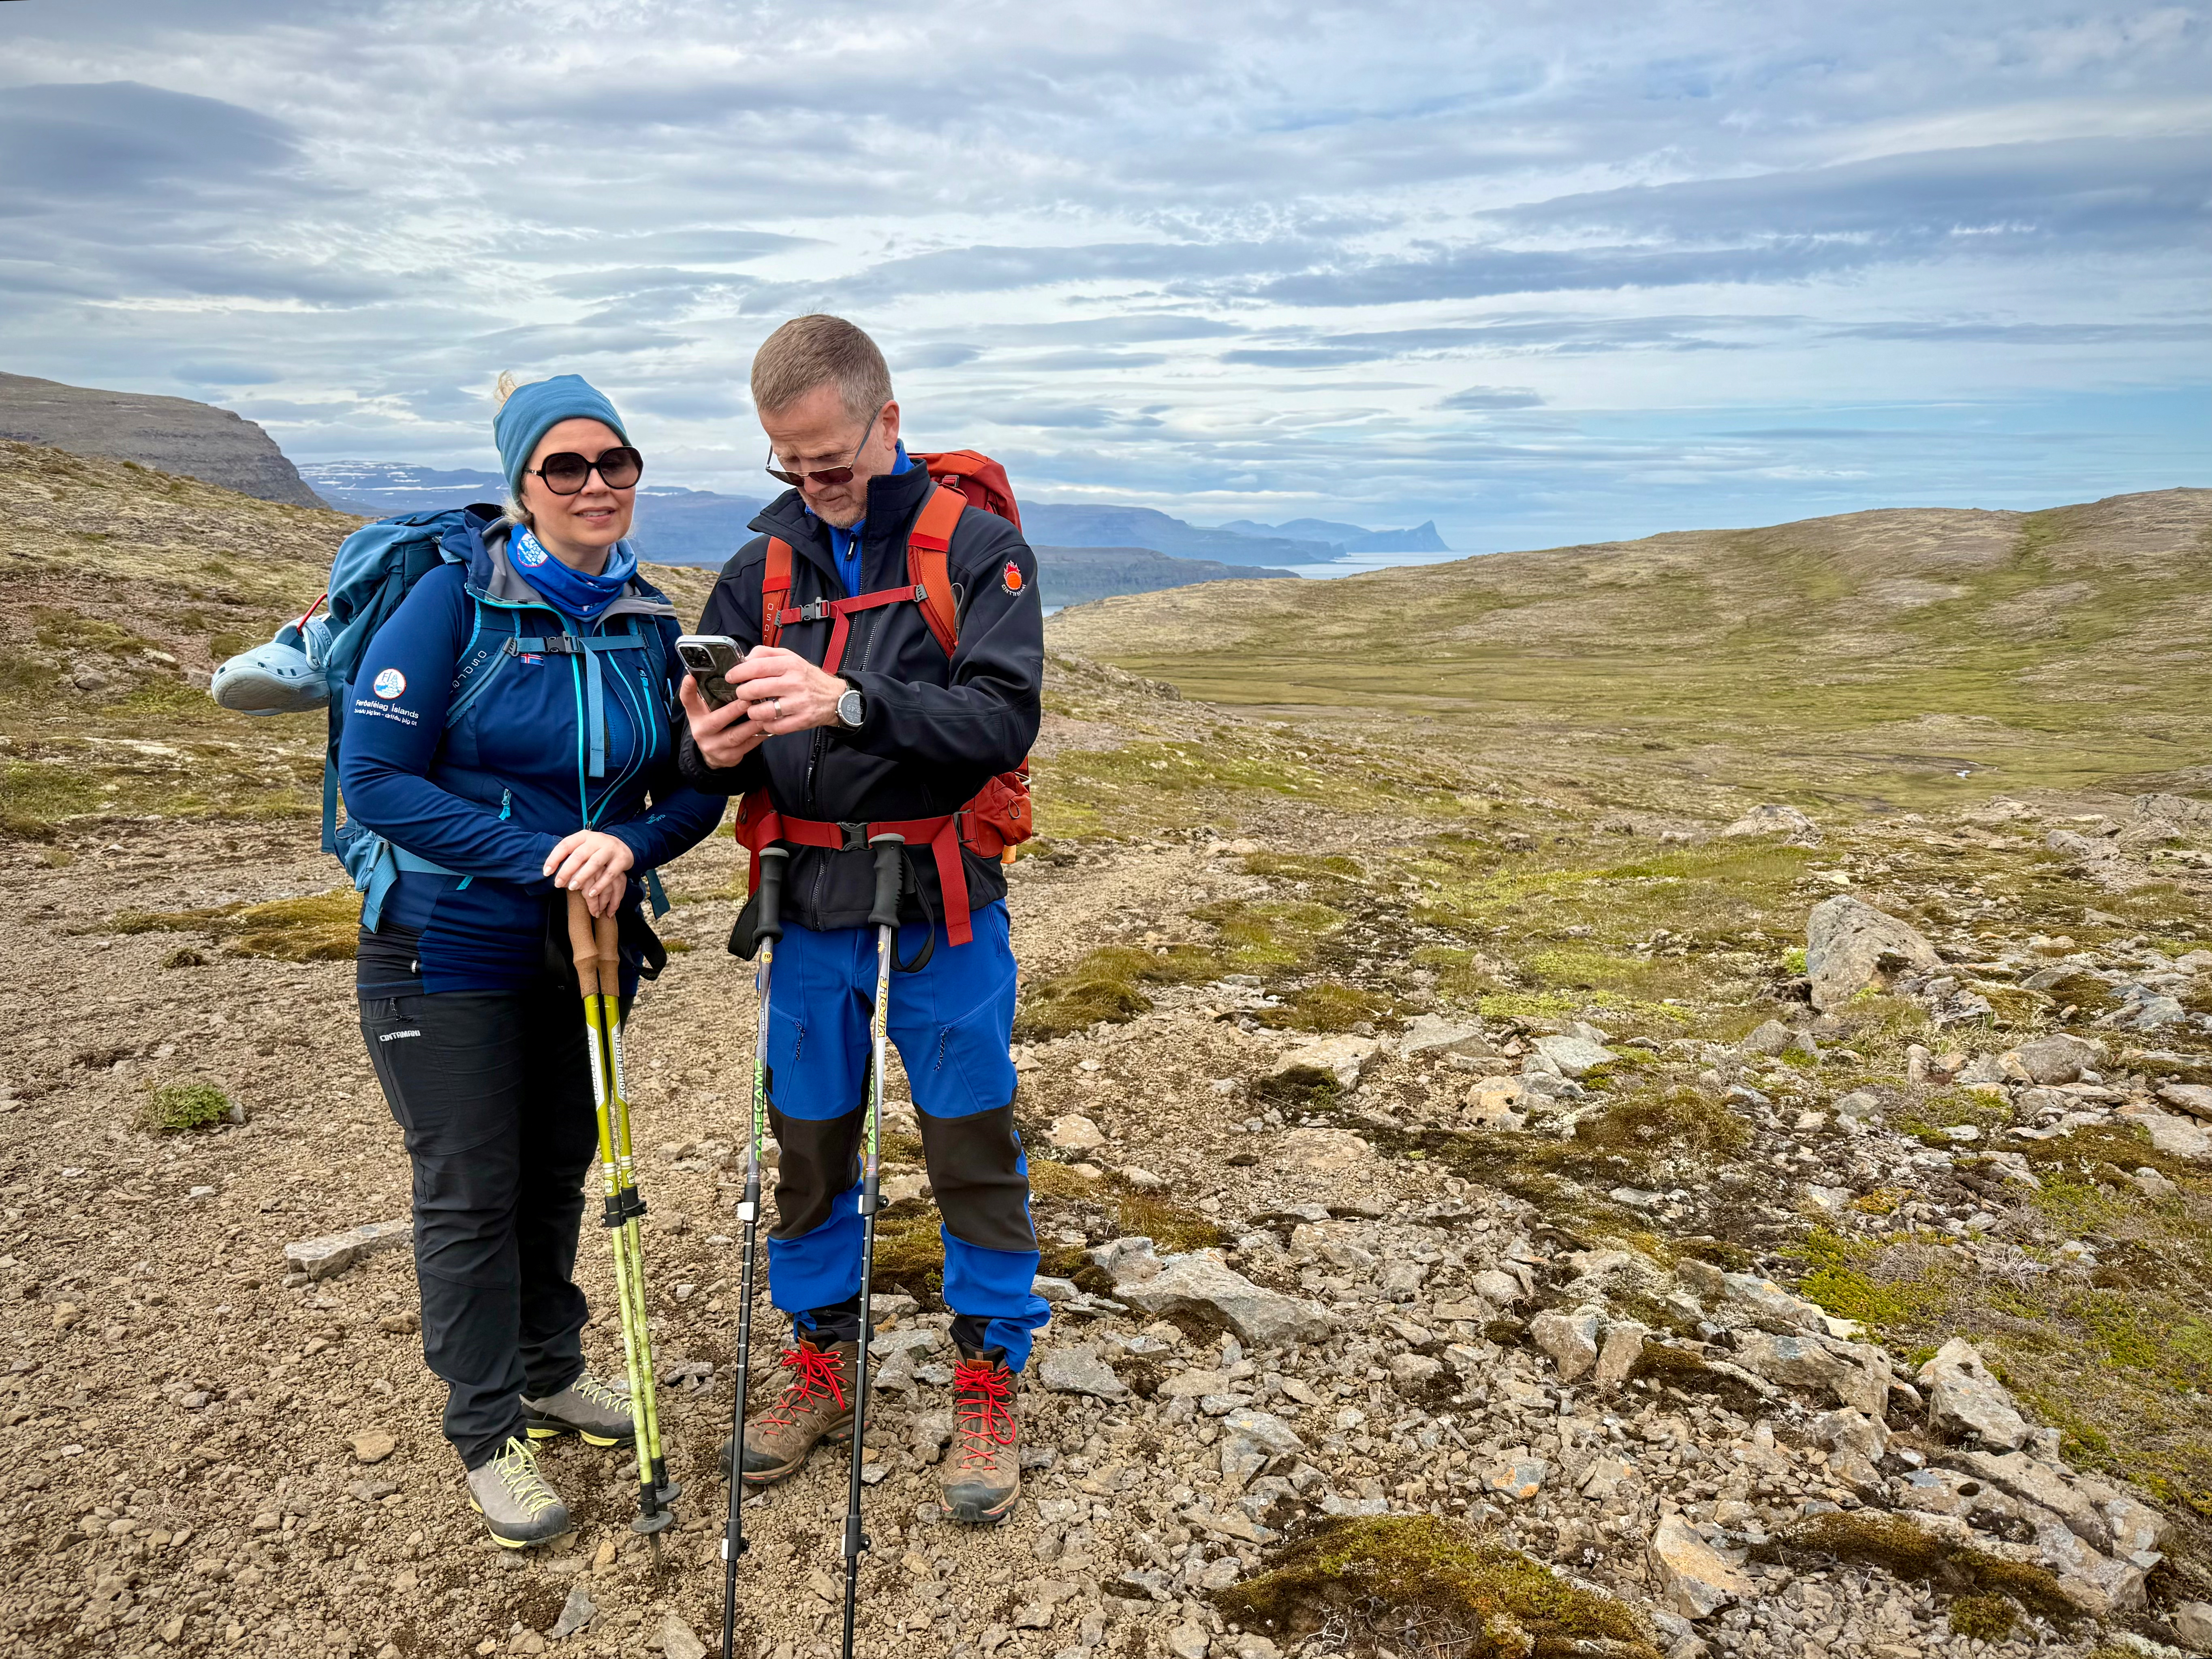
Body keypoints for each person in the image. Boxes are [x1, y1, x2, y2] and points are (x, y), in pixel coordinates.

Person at [340, 373, 725, 1546]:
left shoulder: (654, 625)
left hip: (584, 946)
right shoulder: (453, 605)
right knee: (471, 1187)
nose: (596, 485)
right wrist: (549, 853)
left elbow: (694, 790)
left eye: (615, 462)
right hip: (440, 943)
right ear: (523, 486)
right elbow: (377, 779)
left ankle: (552, 1373)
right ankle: (485, 1424)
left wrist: (625, 842)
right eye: (565, 467)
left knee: (558, 1166)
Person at [677, 314, 1045, 1524]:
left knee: (965, 1141)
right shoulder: (759, 571)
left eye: (829, 460)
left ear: (887, 423)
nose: (811, 485)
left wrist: (846, 701)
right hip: (808, 903)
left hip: (941, 896)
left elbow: (999, 722)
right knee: (812, 1146)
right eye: (786, 465)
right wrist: (712, 747)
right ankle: (821, 1360)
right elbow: (719, 766)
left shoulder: (976, 549)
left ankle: (987, 1373)